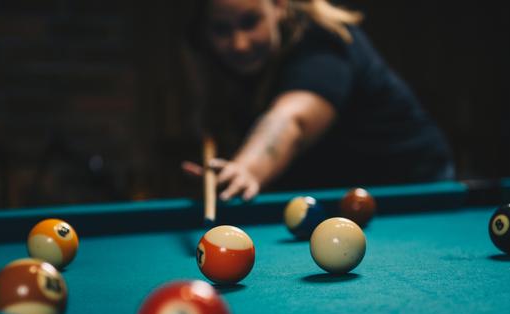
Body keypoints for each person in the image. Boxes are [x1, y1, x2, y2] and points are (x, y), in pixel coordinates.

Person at [180, 0, 454, 201]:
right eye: (220, 30)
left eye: (250, 22)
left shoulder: (322, 40)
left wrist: (246, 169)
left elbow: (291, 121)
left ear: (278, 5)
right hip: (332, 190)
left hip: (410, 188)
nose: (238, 43)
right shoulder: (224, 67)